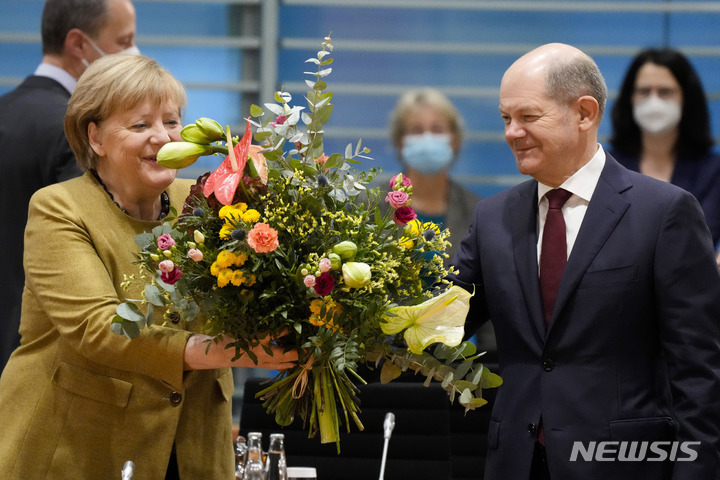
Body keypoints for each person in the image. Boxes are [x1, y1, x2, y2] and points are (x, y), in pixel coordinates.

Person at [0, 54, 298, 479]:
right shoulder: (58, 209)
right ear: (96, 137)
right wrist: (233, 351)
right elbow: (99, 329)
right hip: (80, 449)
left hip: (195, 448)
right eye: (140, 125)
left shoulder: (208, 201)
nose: (161, 137)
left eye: (172, 122)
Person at [450, 43, 720, 479]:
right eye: (505, 118)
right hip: (515, 463)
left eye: (527, 116)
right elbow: (434, 323)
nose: (511, 133)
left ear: (584, 113)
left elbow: (700, 373)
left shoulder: (663, 213)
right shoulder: (492, 217)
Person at [0, 0, 139, 372]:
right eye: (124, 41)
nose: (133, 53)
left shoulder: (7, 109)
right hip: (45, 351)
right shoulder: (78, 130)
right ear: (79, 44)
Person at [388, 88, 496, 362]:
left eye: (437, 129)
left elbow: (491, 307)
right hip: (377, 365)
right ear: (400, 142)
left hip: (454, 369)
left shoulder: (480, 213)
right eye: (416, 129)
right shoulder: (369, 207)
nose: (427, 138)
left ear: (455, 140)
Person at [609, 47, 720, 246]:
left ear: (686, 98)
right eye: (644, 91)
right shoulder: (606, 166)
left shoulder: (713, 171)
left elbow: (704, 237)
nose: (654, 101)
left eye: (665, 92)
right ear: (630, 98)